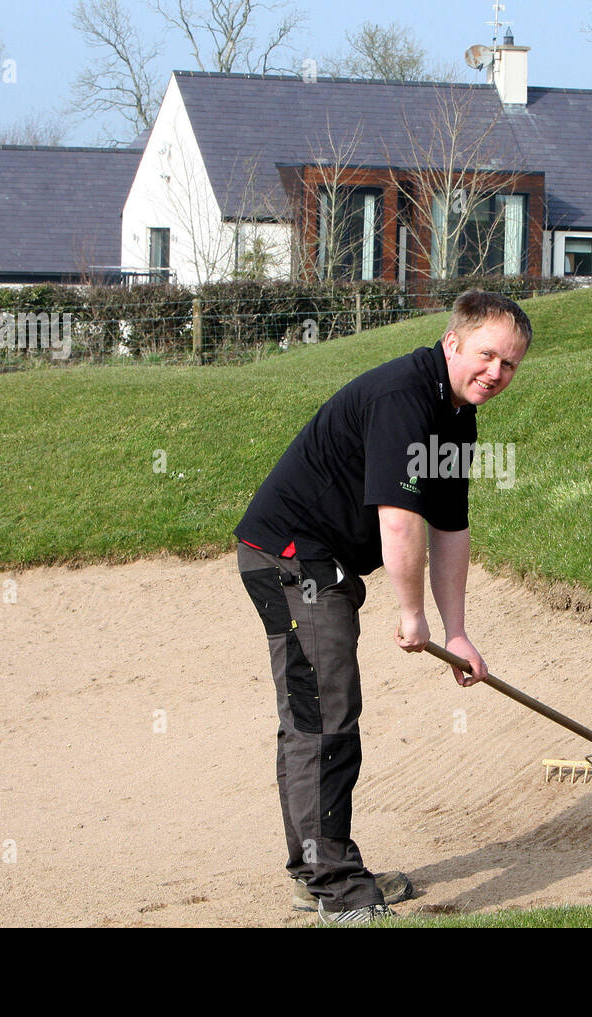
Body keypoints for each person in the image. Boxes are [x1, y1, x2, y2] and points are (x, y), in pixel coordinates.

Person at [234, 289, 531, 924]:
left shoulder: (456, 415)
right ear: (452, 342)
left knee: (325, 710)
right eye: (486, 355)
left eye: (509, 364)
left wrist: (457, 632)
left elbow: (449, 526)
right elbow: (400, 521)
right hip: (292, 557)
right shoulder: (404, 399)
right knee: (325, 714)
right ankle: (335, 889)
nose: (495, 374)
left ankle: (317, 873)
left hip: (323, 562)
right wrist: (412, 615)